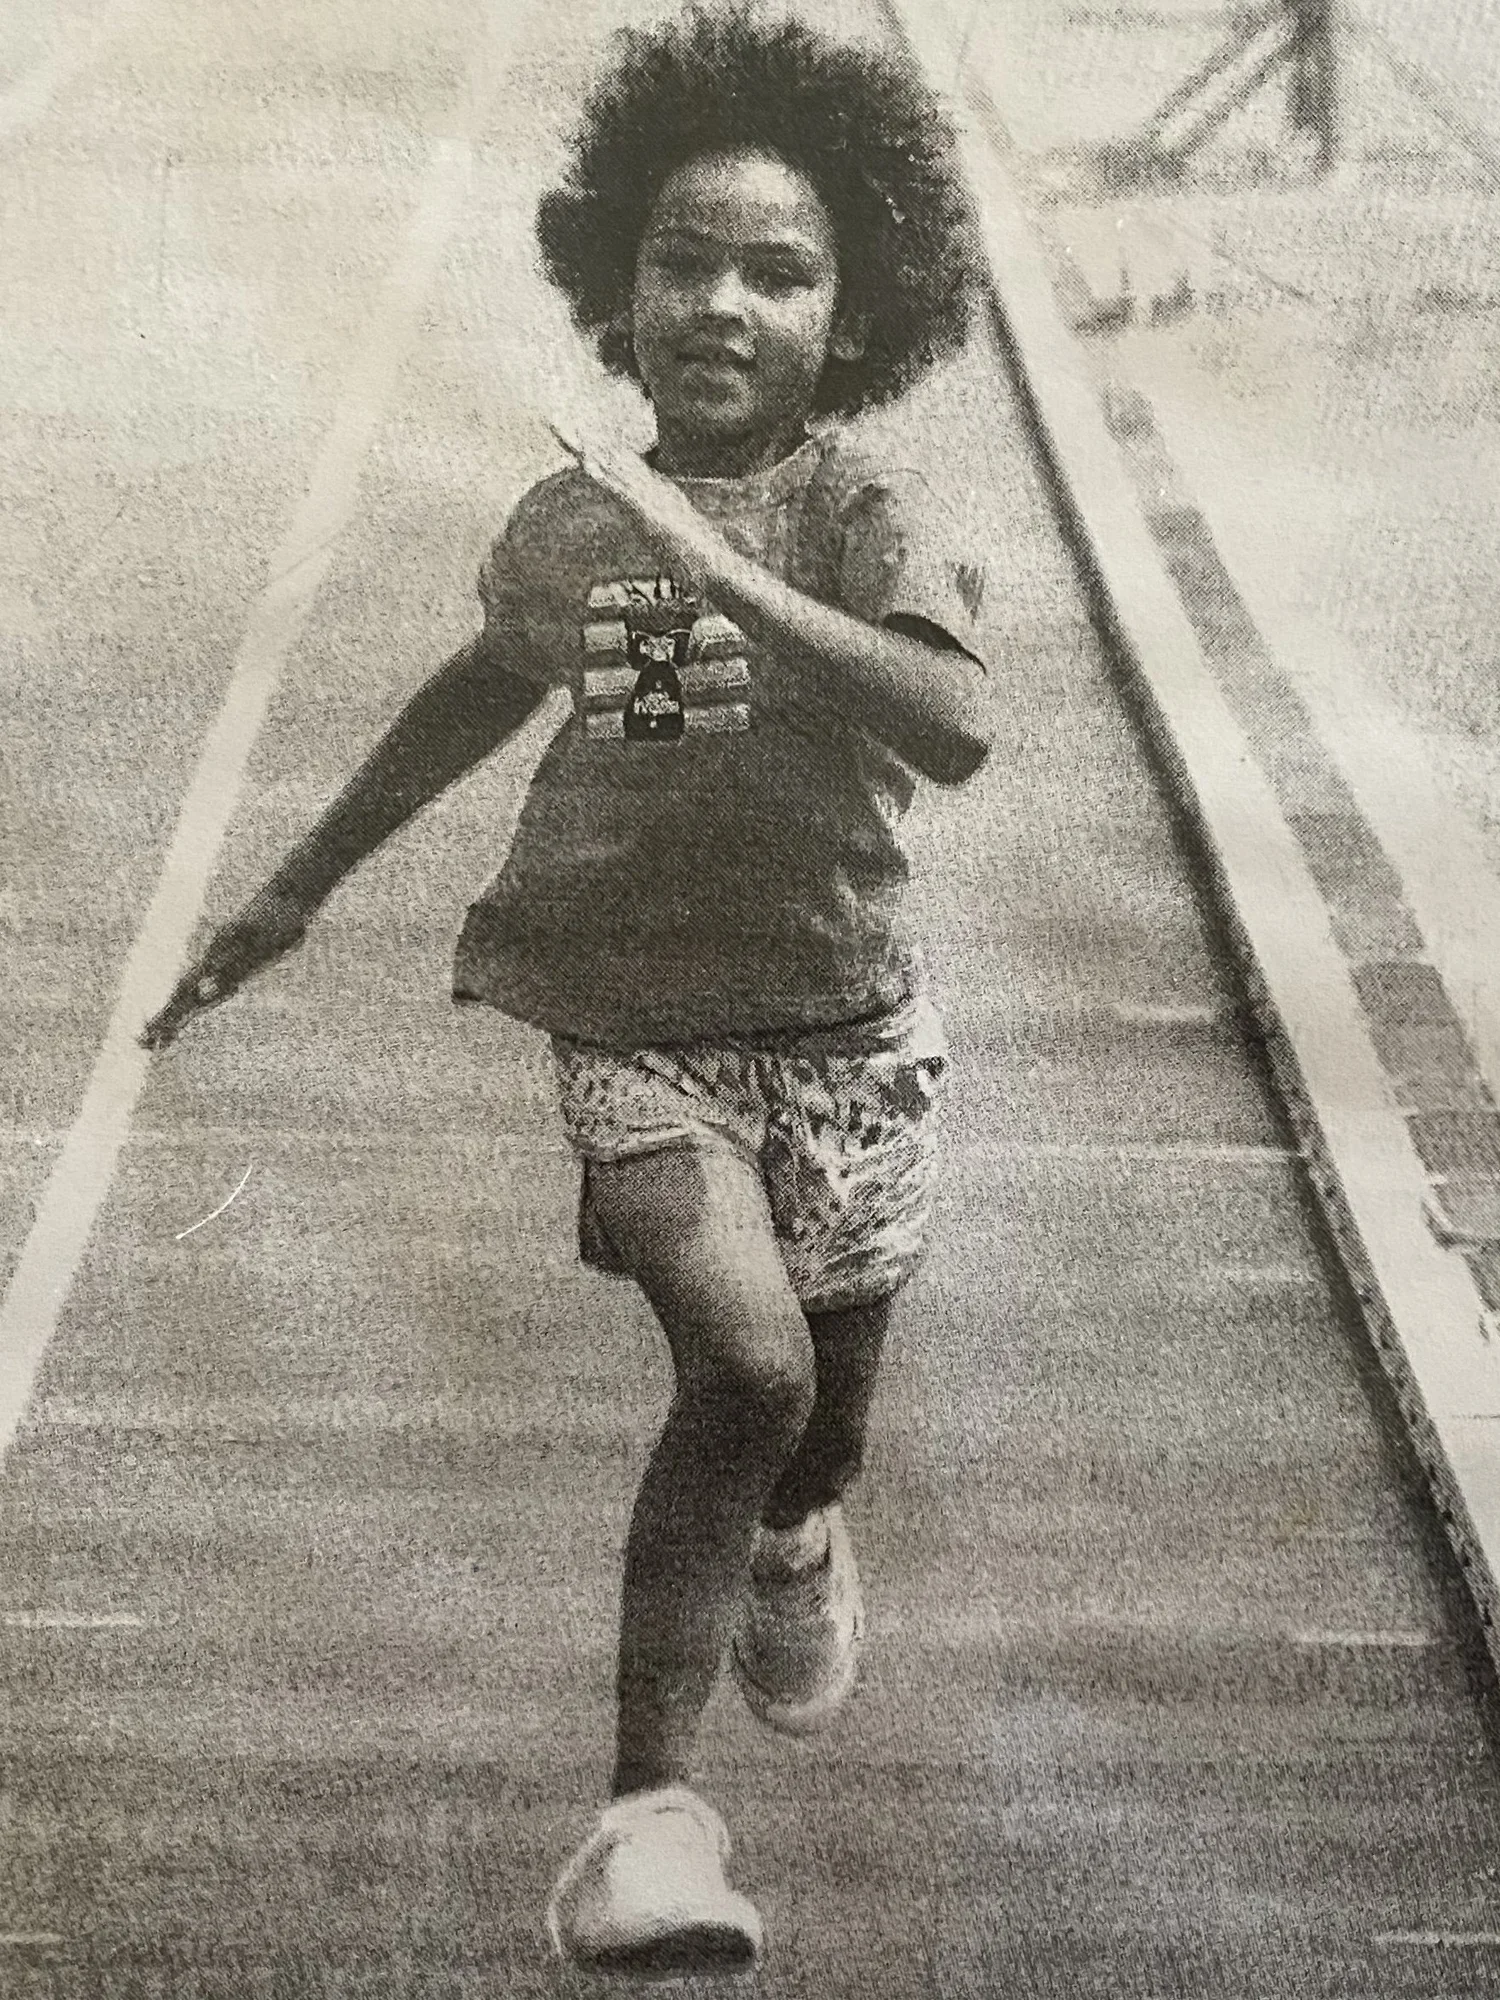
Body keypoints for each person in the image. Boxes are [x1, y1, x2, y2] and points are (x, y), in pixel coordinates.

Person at [143, 2, 991, 1976]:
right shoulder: (571, 521)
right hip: (630, 1035)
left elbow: (951, 721)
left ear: (853, 312)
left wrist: (733, 571)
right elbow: (480, 687)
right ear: (619, 281)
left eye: (778, 272)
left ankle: (795, 1535)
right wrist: (293, 887)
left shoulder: (872, 513)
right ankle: (646, 1835)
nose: (721, 302)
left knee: (823, 1429)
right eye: (682, 260)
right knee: (749, 1371)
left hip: (850, 1040)